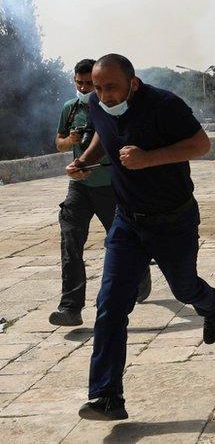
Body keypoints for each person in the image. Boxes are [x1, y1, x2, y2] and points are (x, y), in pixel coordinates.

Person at [67, 54, 215, 421]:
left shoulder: (165, 105)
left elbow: (201, 145)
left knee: (185, 289)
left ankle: (212, 302)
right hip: (127, 223)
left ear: (133, 83)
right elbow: (102, 138)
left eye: (112, 87)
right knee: (110, 305)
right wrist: (85, 162)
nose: (104, 95)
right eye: (98, 87)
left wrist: (149, 158)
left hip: (173, 220)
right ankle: (107, 396)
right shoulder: (95, 103)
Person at [51, 60, 152, 327]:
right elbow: (58, 142)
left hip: (109, 186)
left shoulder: (109, 107)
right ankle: (70, 307)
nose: (84, 88)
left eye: (89, 84)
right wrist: (70, 147)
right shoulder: (70, 110)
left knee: (120, 242)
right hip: (79, 187)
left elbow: (114, 141)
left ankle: (140, 274)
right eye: (79, 83)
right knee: (70, 241)